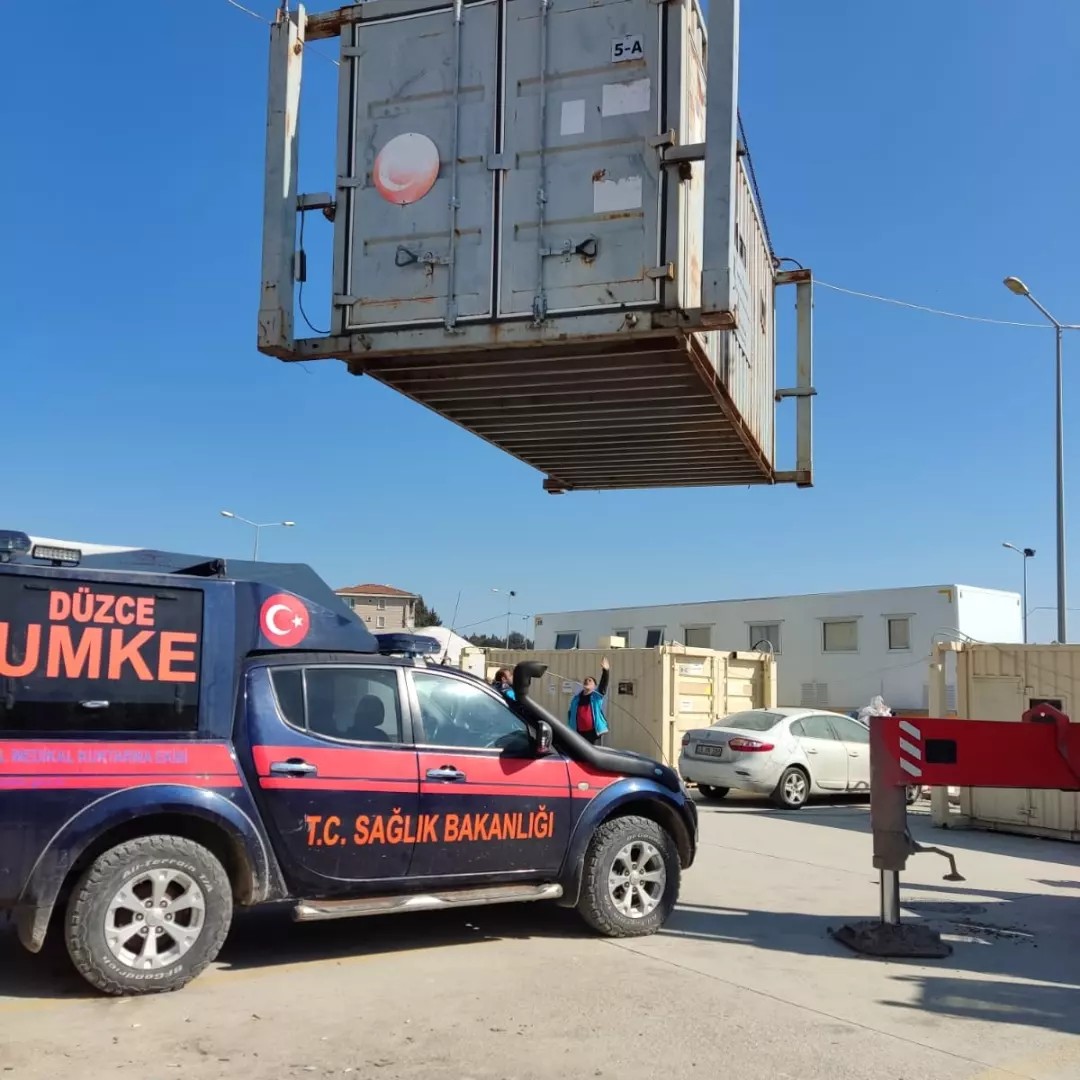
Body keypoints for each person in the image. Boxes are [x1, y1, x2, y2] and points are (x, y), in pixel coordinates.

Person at [568, 657, 610, 745]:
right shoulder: (576, 698)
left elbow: (603, 685)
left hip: (593, 734)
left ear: (594, 686)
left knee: (593, 752)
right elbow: (570, 713)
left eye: (590, 680)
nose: (587, 681)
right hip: (579, 733)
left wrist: (606, 671)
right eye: (585, 680)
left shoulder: (596, 696)